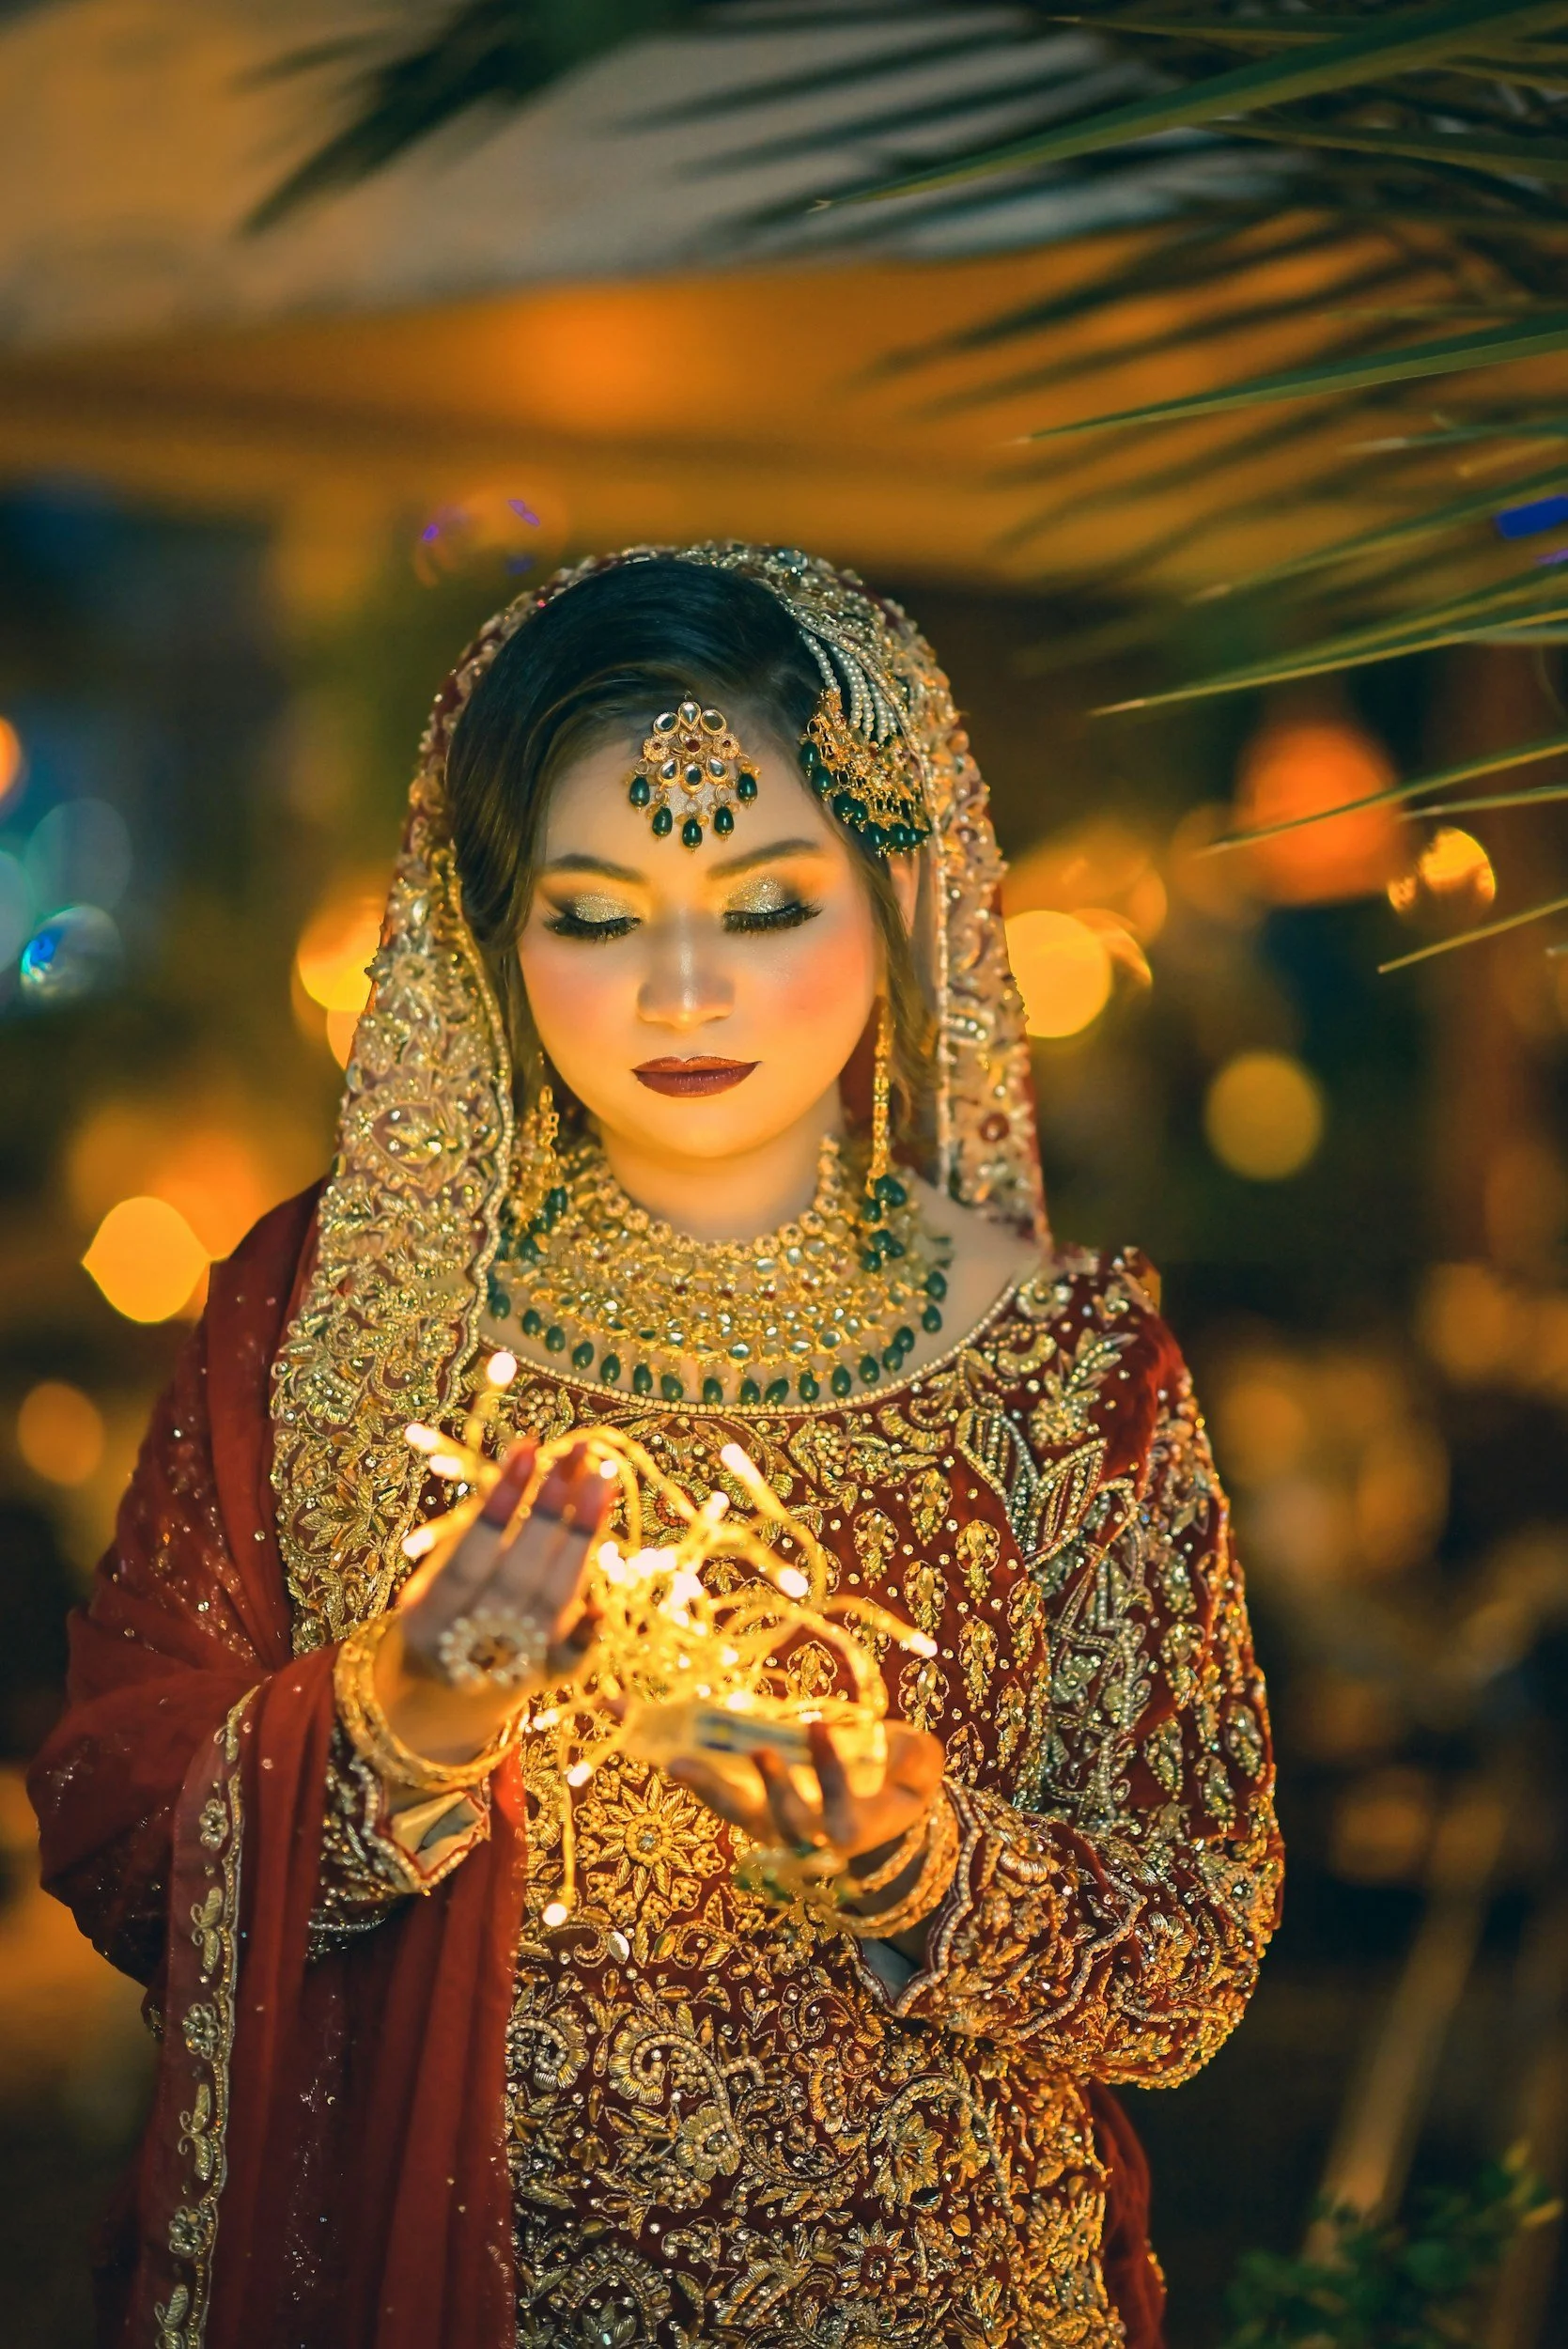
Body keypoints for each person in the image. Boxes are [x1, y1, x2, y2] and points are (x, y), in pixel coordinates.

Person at [29, 544, 1282, 2349]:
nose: (684, 991)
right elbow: (115, 1832)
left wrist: (930, 1869)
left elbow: (1196, 1951)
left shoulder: (1070, 1367)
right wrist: (392, 1727)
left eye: (764, 906)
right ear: (492, 928)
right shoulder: (332, 1324)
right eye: (598, 918)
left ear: (897, 894)